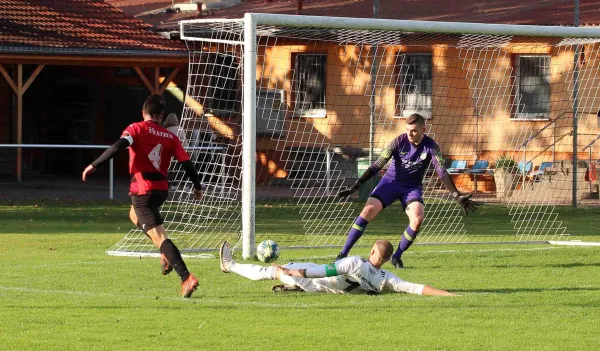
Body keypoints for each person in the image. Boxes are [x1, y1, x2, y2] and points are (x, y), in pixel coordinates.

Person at [82, 94, 203, 298]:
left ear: (143, 113)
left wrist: (94, 165)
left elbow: (117, 146)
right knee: (134, 216)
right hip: (161, 190)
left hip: (142, 190)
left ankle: (186, 277)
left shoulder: (136, 128)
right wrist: (197, 187)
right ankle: (165, 254)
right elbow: (187, 164)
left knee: (160, 237)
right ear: (161, 115)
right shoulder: (170, 137)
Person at [336, 113, 478, 268]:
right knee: (367, 211)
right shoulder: (398, 141)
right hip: (390, 183)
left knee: (417, 219)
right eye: (408, 130)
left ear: (423, 129)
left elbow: (442, 172)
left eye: (414, 131)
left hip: (411, 188)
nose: (410, 134)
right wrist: (357, 184)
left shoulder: (431, 146)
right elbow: (377, 165)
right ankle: (342, 254)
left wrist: (457, 196)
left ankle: (396, 257)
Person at [218, 240, 456, 296]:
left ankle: (230, 265)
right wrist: (446, 293)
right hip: (329, 289)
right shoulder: (385, 278)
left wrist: (291, 272)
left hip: (317, 280)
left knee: (271, 270)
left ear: (374, 252)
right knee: (297, 276)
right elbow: (415, 288)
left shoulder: (355, 262)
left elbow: (323, 272)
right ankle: (294, 286)